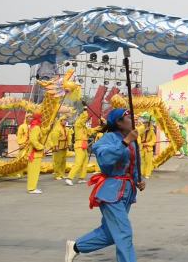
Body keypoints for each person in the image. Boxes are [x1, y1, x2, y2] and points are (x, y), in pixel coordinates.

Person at [65, 108, 145, 262]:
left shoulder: (133, 140)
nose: (132, 119)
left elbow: (134, 165)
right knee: (123, 232)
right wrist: (125, 142)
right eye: (128, 117)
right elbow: (106, 161)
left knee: (110, 234)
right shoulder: (108, 139)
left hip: (127, 192)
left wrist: (138, 180)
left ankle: (76, 246)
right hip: (111, 192)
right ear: (119, 123)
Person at [66, 109, 102, 186]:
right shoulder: (78, 125)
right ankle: (69, 178)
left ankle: (81, 178)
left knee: (85, 161)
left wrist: (100, 127)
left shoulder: (84, 127)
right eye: (85, 119)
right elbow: (82, 119)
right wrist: (85, 111)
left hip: (84, 145)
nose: (86, 120)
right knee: (78, 162)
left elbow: (91, 131)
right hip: (79, 145)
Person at [26, 113, 45, 194]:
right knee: (34, 172)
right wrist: (41, 147)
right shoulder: (36, 127)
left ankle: (32, 187)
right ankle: (32, 188)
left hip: (34, 153)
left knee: (33, 171)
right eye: (41, 117)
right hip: (35, 153)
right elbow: (34, 140)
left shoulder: (34, 126)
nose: (42, 119)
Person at [50, 115, 72, 180]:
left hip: (64, 147)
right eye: (64, 120)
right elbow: (54, 138)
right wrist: (56, 146)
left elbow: (69, 137)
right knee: (57, 161)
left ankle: (62, 173)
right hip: (58, 147)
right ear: (60, 121)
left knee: (63, 161)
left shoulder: (66, 129)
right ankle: (57, 174)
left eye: (66, 120)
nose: (65, 122)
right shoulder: (57, 128)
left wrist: (69, 144)